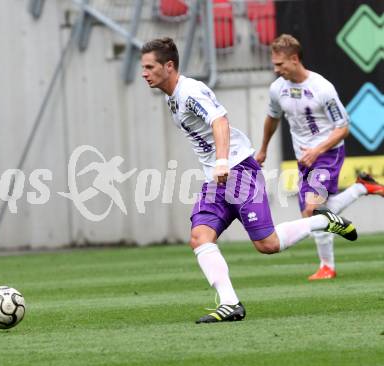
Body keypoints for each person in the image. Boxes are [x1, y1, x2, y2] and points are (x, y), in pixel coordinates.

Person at [140, 37, 357, 324]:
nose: (144, 73)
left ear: (169, 66)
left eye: (149, 66)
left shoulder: (189, 93)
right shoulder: (172, 96)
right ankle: (230, 304)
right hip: (215, 180)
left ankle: (323, 220)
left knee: (267, 244)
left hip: (238, 170)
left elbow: (220, 120)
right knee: (199, 237)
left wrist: (221, 161)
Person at [255, 34, 384, 281]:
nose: (276, 69)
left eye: (280, 64)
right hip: (304, 160)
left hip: (328, 154)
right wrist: (263, 149)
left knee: (312, 210)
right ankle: (360, 188)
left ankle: (328, 265)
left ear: (294, 59)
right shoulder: (277, 89)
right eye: (274, 64)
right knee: (317, 212)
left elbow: (343, 127)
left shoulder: (322, 88)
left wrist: (318, 150)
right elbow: (272, 118)